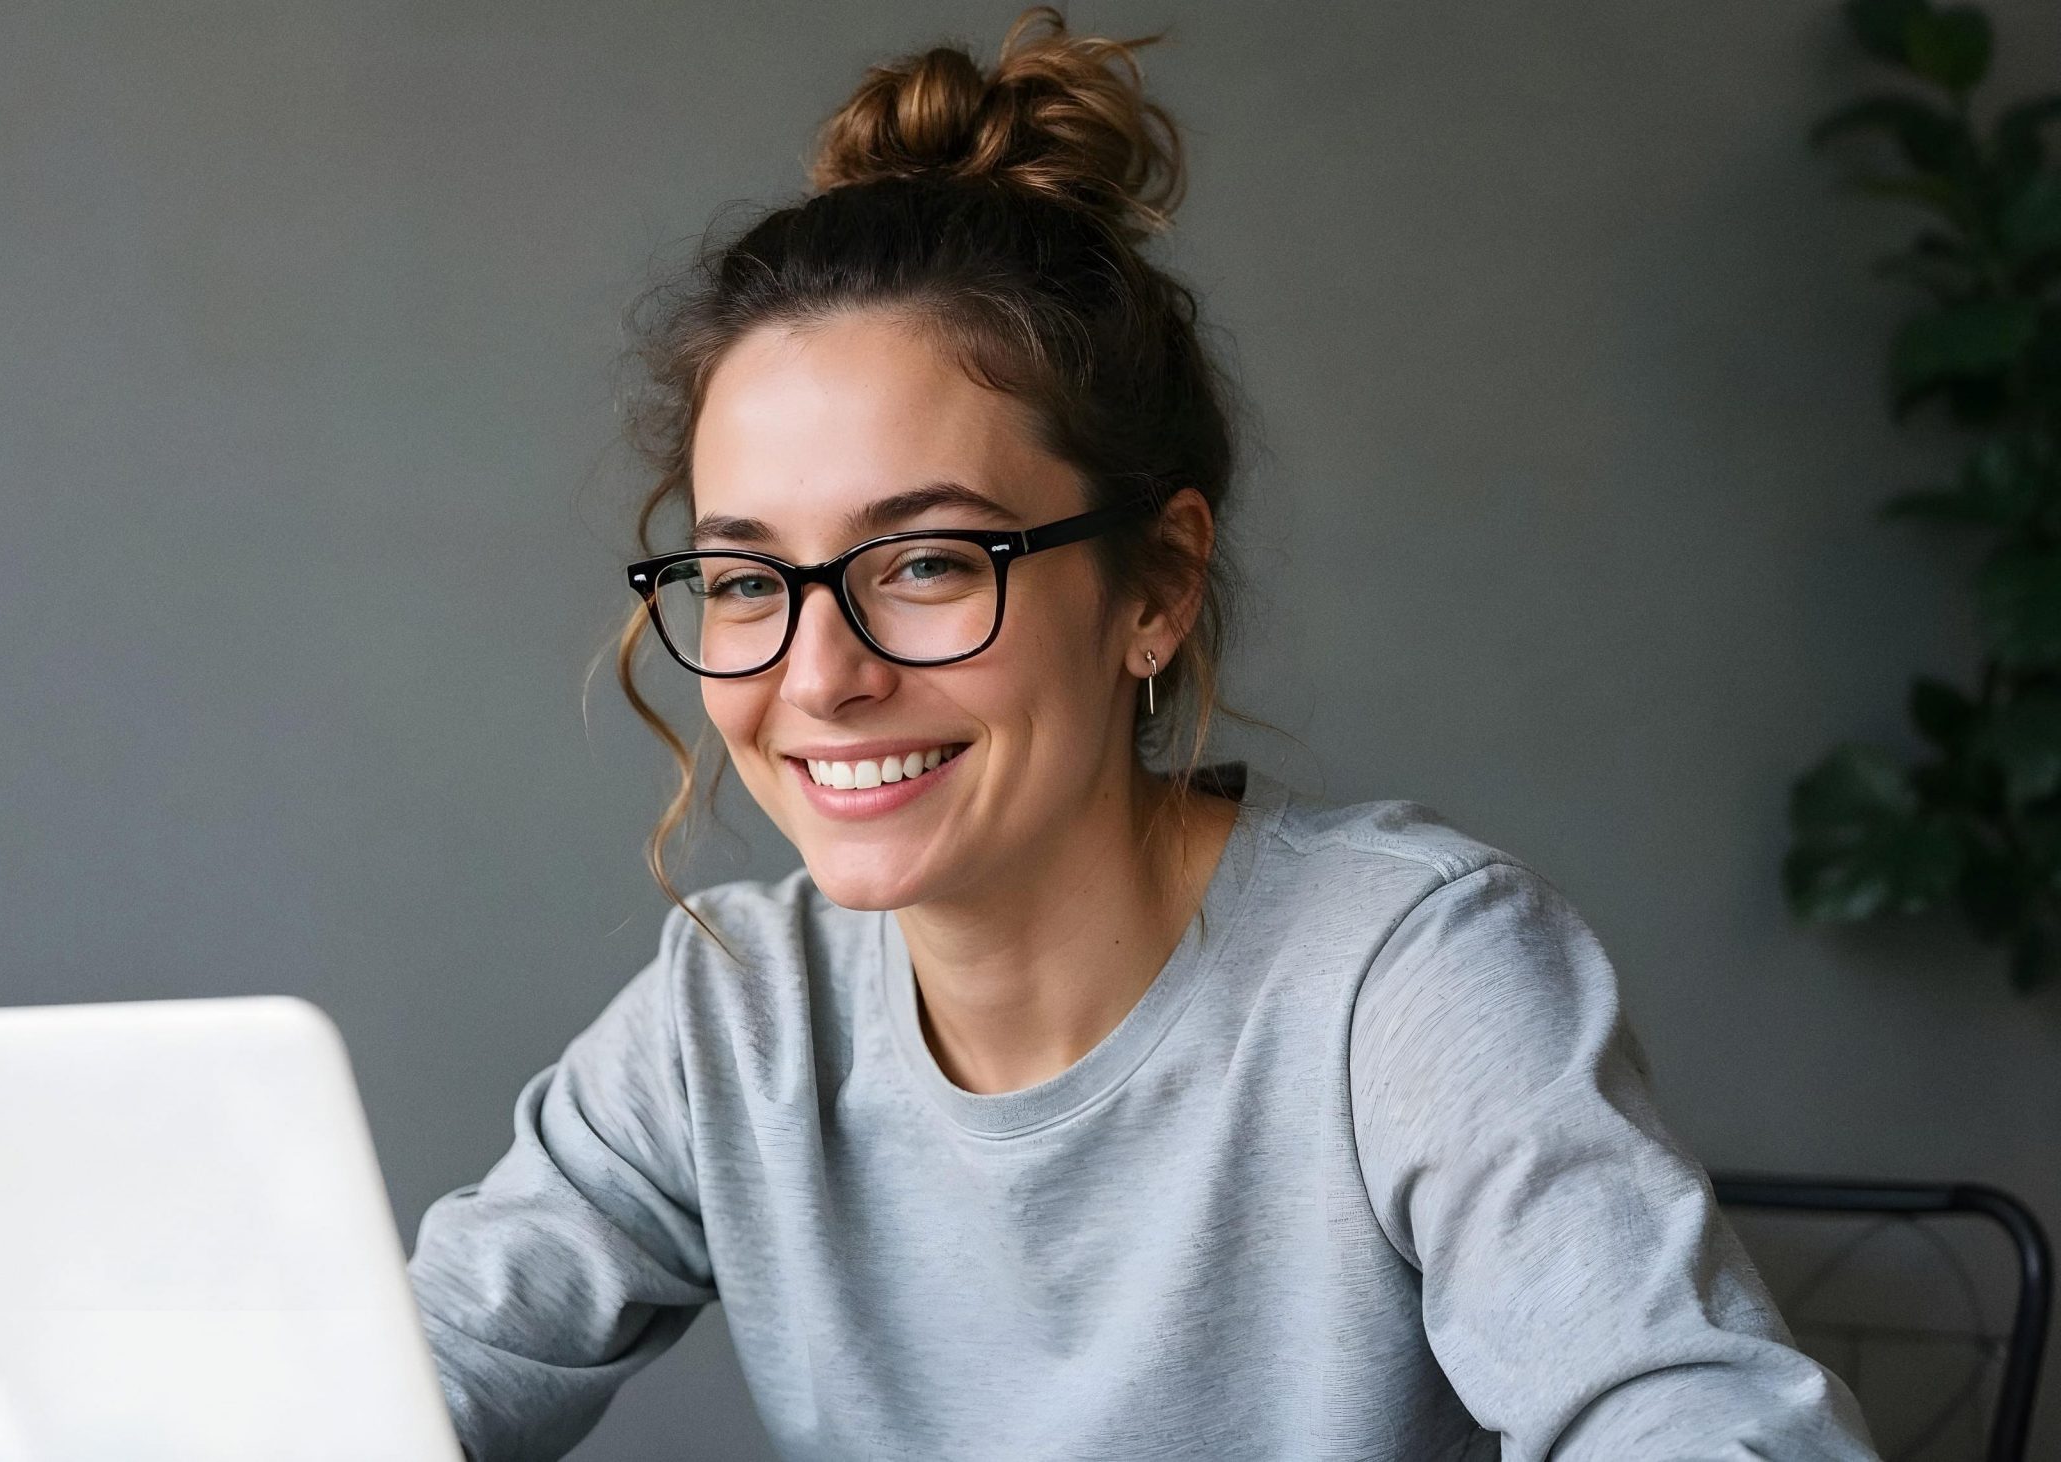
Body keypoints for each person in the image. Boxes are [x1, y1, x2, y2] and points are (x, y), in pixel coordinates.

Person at [405, 9, 1882, 1460]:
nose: (821, 671)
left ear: (1156, 585)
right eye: (743, 580)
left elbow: (1711, 1423)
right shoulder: (736, 1015)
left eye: (926, 561)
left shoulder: (1405, 979)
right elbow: (379, 1385)